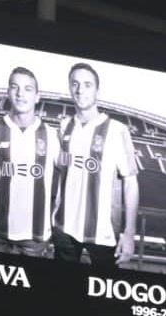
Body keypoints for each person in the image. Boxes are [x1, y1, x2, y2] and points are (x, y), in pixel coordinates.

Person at [51, 63, 140, 268]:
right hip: (63, 229)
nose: (80, 90)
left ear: (97, 90)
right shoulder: (64, 126)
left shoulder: (117, 130)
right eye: (75, 84)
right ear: (70, 88)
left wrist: (129, 233)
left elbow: (130, 182)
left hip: (104, 234)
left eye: (87, 84)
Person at [0, 67, 62, 258]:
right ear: (8, 93)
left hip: (35, 236)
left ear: (37, 96)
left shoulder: (52, 135)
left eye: (27, 89)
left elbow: (68, 177)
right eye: (14, 87)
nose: (20, 93)